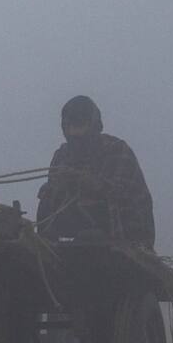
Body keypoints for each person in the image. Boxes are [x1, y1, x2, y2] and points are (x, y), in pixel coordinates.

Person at [36, 95, 155, 248]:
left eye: (80, 125)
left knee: (95, 218)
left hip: (125, 231)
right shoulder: (62, 156)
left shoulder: (117, 150)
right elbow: (54, 199)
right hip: (84, 223)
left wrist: (91, 183)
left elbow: (121, 197)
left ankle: (103, 242)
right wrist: (58, 187)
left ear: (94, 125)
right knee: (47, 195)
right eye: (69, 126)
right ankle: (45, 247)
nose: (74, 132)